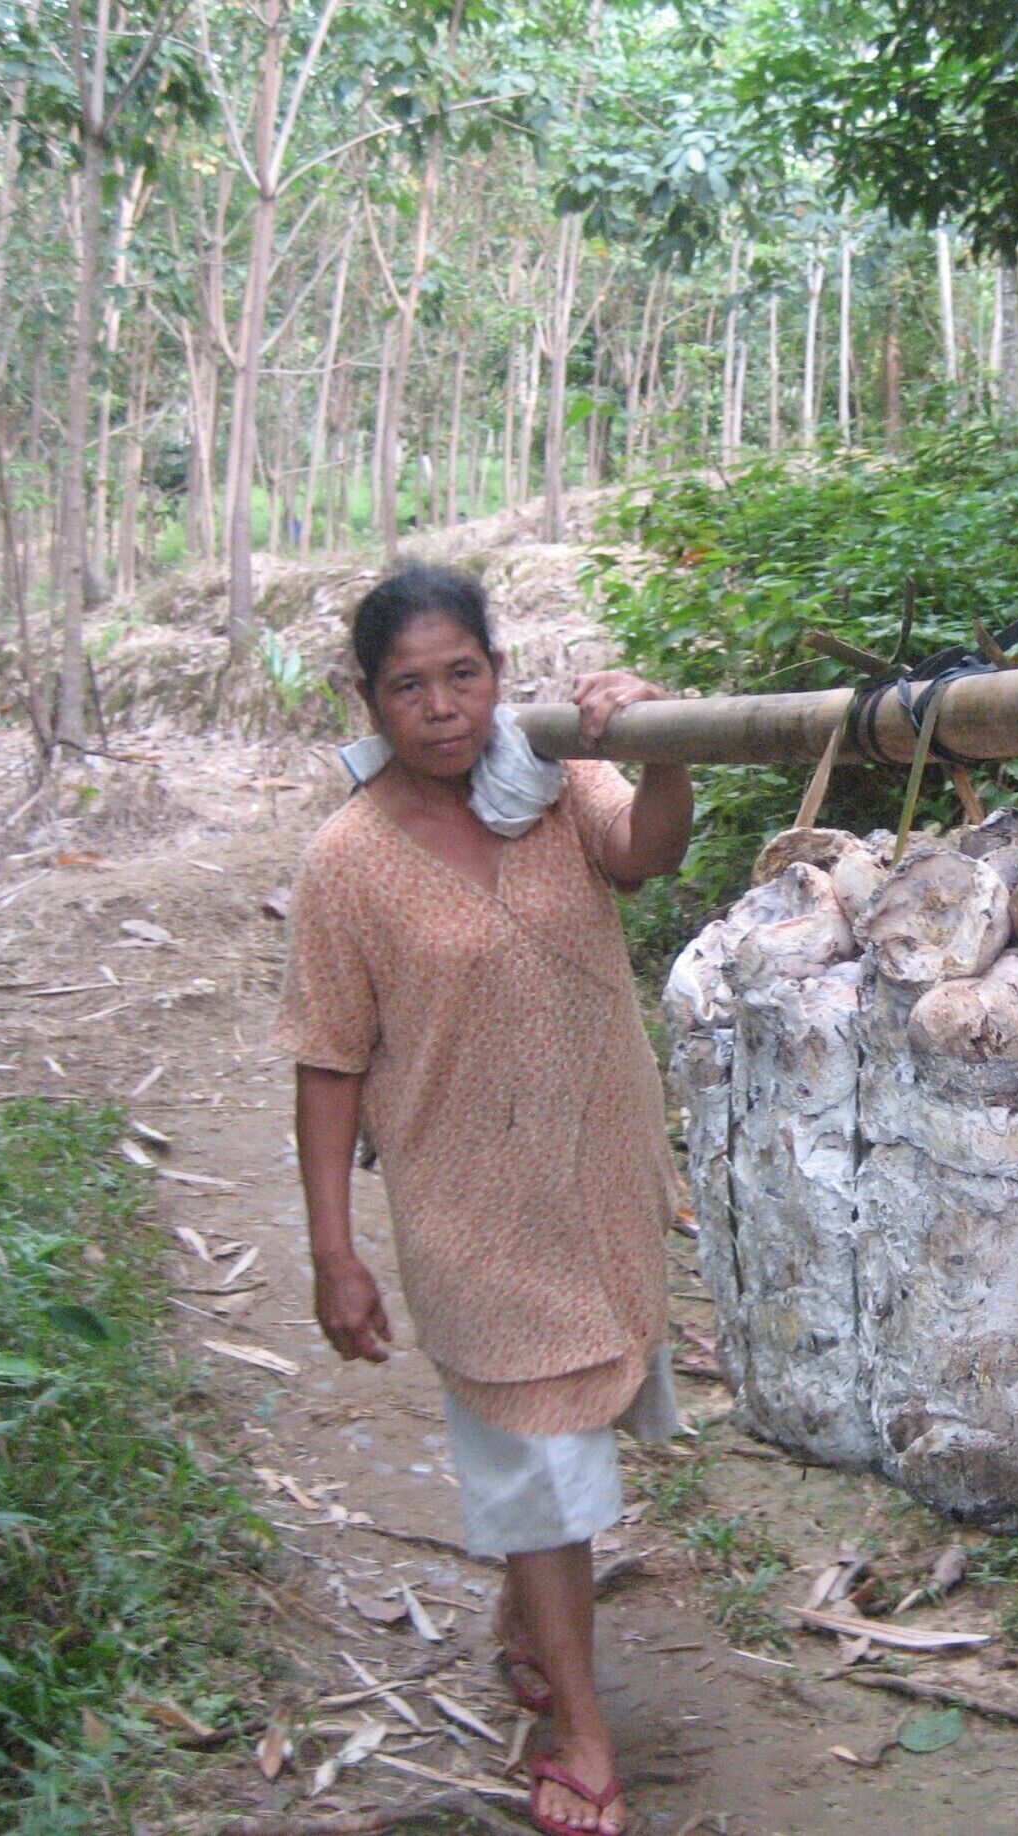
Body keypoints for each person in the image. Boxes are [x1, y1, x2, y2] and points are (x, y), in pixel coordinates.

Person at [279, 566, 692, 1836]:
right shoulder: (346, 863)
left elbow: (646, 853)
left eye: (464, 674)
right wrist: (332, 1254)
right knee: (543, 1463)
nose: (444, 708)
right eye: (410, 685)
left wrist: (661, 746)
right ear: (370, 698)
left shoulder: (555, 779)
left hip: (605, 1176)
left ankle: (528, 1608)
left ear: (498, 676)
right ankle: (578, 1727)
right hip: (473, 1212)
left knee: (596, 1412)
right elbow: (326, 1060)